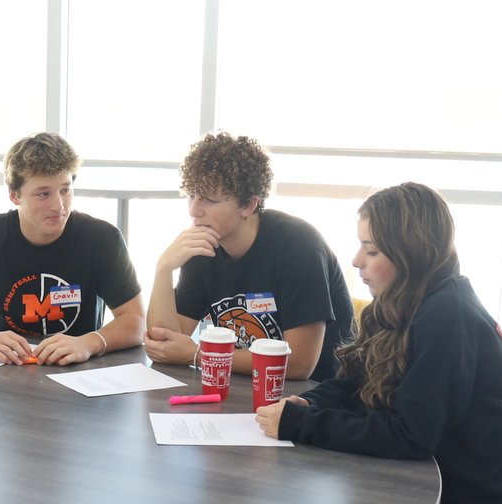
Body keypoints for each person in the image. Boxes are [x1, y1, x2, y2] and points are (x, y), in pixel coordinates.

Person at [256, 181, 502, 504]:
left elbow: (408, 435)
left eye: (372, 250)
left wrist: (300, 426)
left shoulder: (447, 318)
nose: (356, 260)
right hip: (454, 483)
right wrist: (311, 404)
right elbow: (354, 381)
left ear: (410, 255)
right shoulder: (407, 300)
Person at [145, 132, 354, 382]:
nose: (193, 210)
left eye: (210, 200)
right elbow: (163, 346)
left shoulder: (299, 247)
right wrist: (164, 269)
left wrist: (202, 355)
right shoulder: (203, 244)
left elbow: (299, 364)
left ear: (248, 205)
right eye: (191, 195)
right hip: (241, 386)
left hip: (311, 399)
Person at [0, 132, 144, 365]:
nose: (58, 206)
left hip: (77, 370)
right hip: (4, 369)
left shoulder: (103, 238)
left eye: (65, 190)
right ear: (14, 195)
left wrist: (89, 343)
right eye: (44, 194)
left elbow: (135, 320)